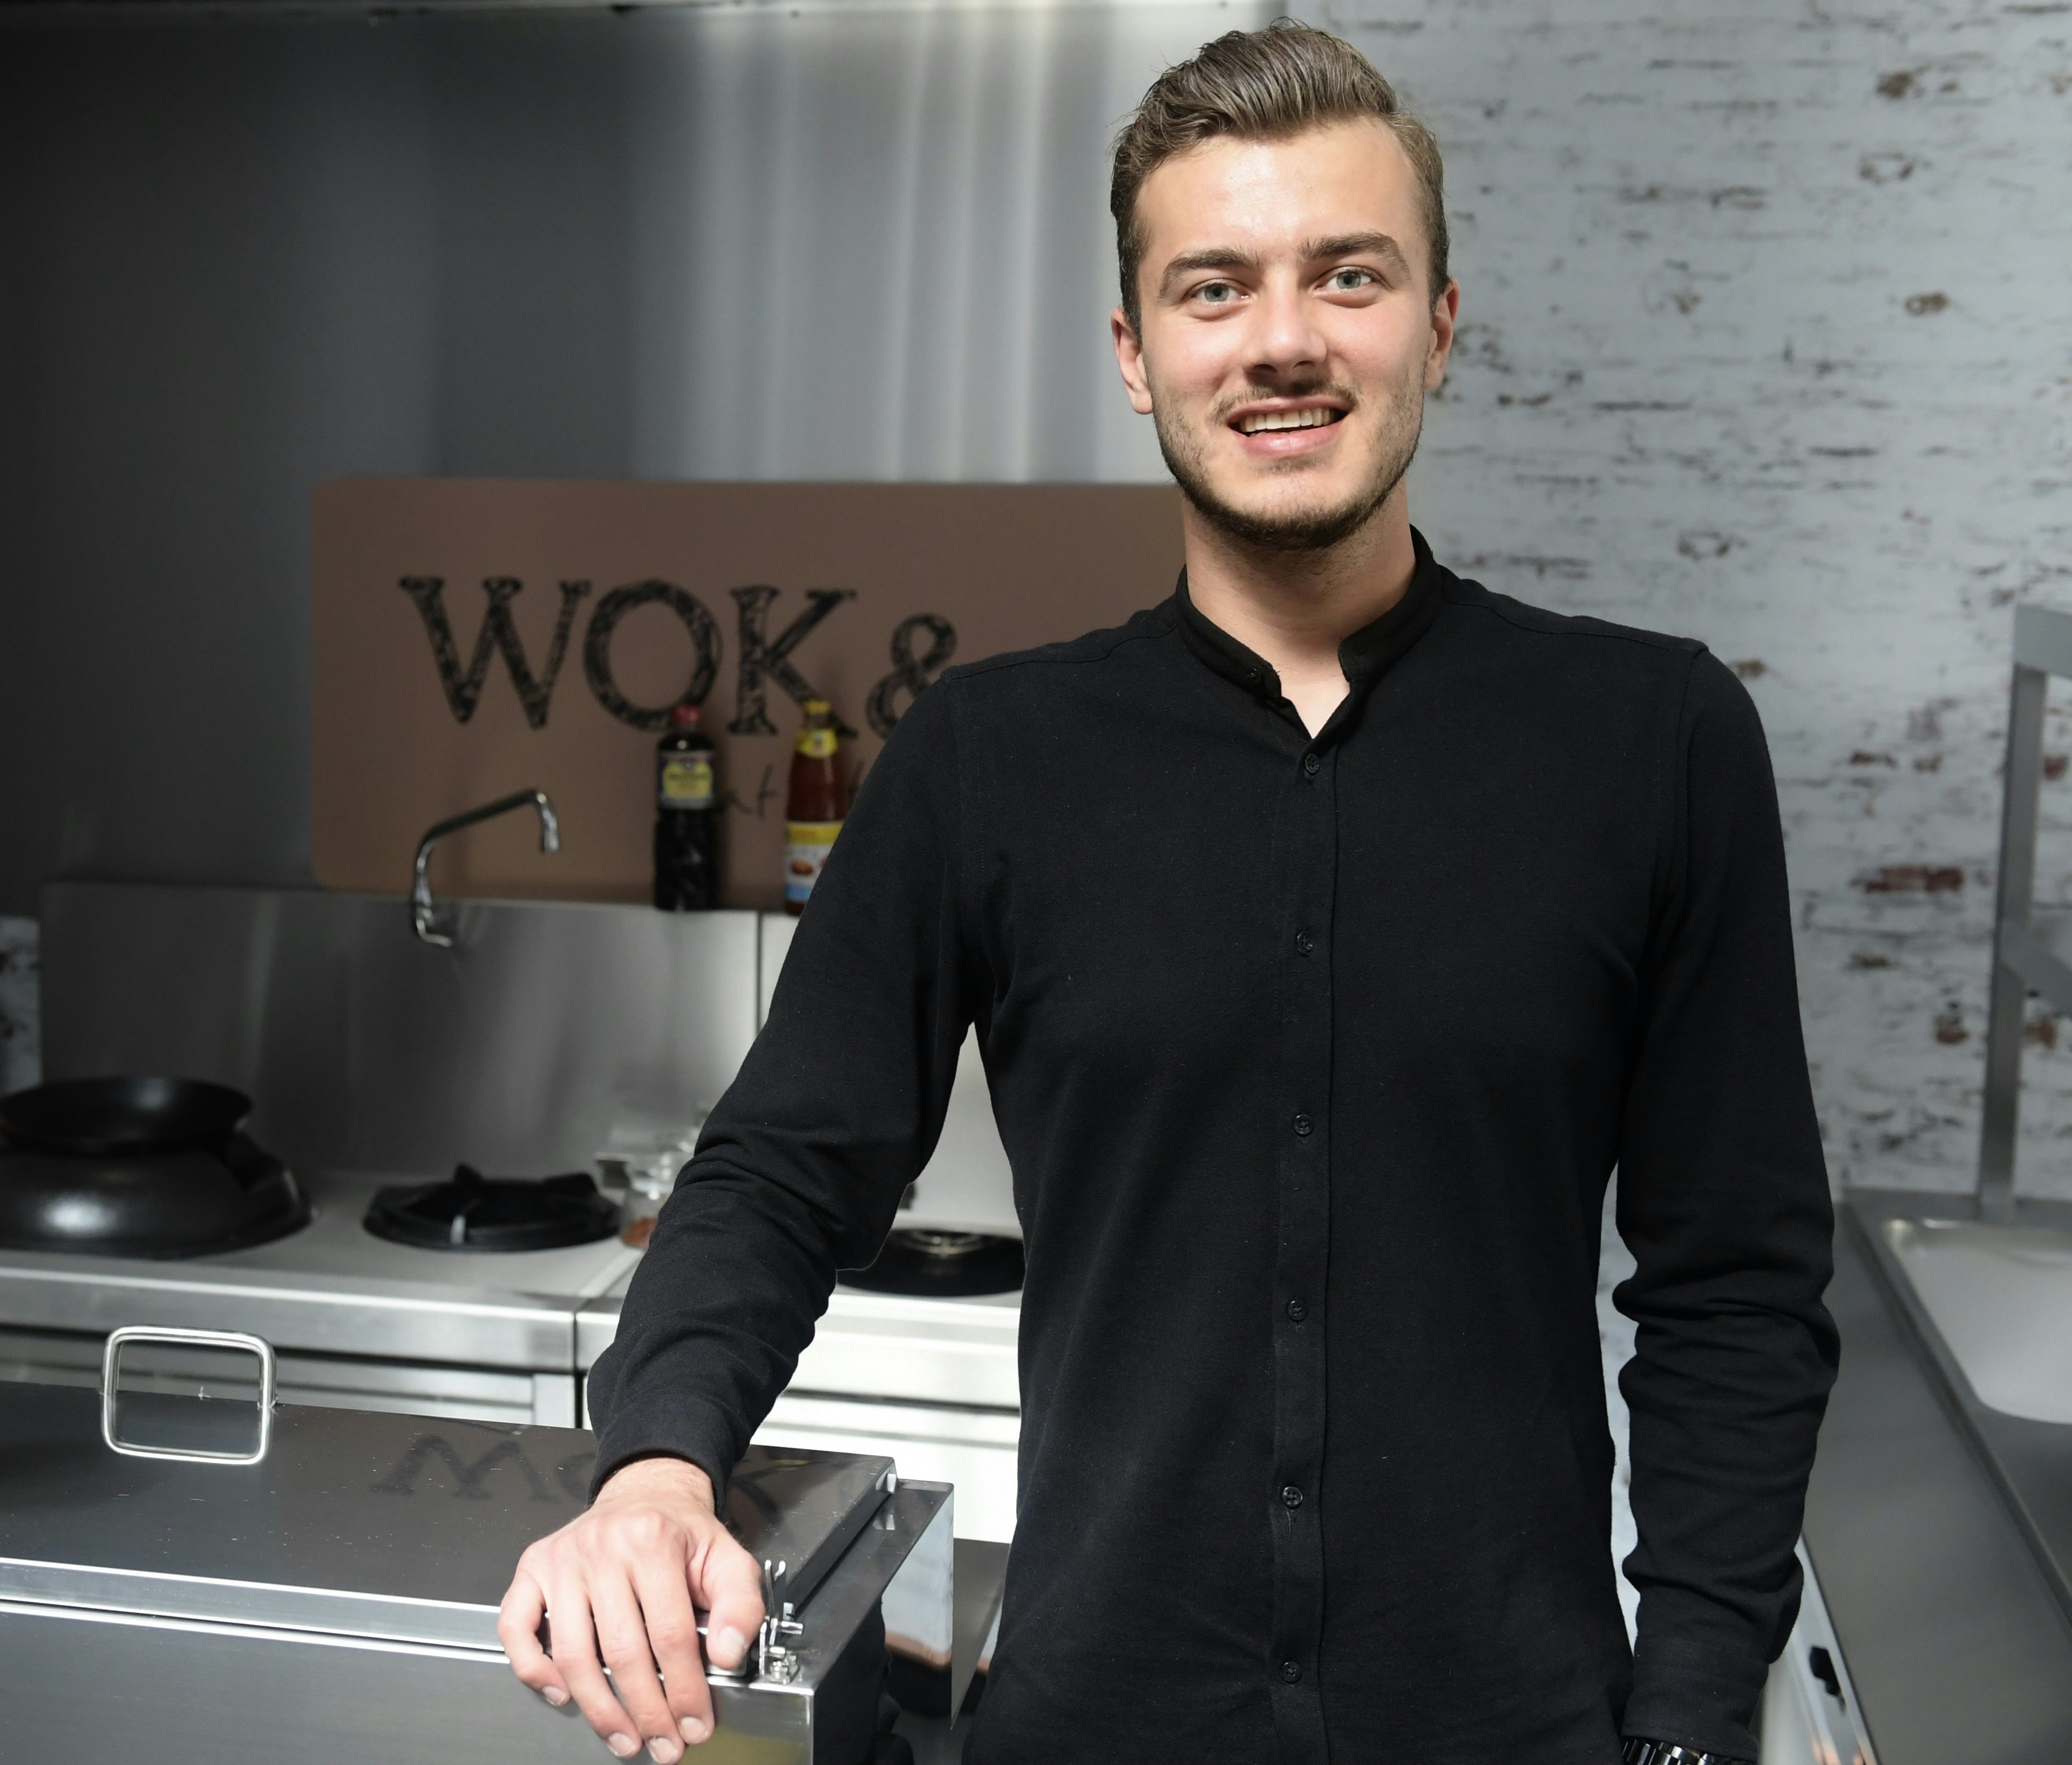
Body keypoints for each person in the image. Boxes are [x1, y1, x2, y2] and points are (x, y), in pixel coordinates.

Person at [499, 21, 1838, 1765]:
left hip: (1514, 1728)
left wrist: (1693, 1712)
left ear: (1438, 321)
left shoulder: (1651, 740)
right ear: (1135, 355)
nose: (1281, 339)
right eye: (1214, 289)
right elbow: (781, 1168)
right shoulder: (989, 755)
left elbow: (1732, 1279)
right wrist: (654, 1472)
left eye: (1346, 275)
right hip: (1091, 1725)